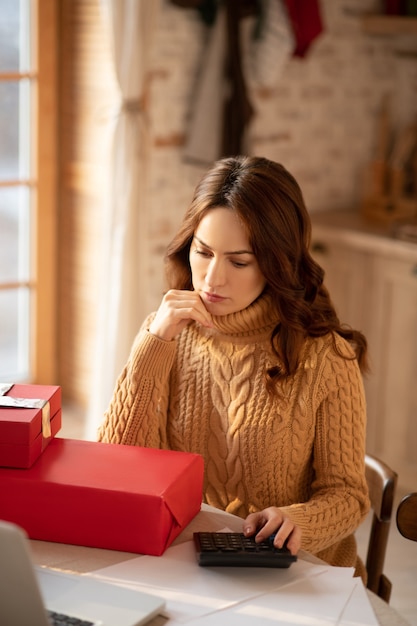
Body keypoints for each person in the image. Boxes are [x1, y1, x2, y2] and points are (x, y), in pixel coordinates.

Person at [98, 155, 370, 579]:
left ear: (276, 263)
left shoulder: (326, 357)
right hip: (189, 562)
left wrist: (300, 521)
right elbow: (115, 469)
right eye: (202, 252)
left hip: (293, 572)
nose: (211, 279)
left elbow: (349, 495)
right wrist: (154, 344)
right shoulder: (168, 333)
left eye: (238, 261)